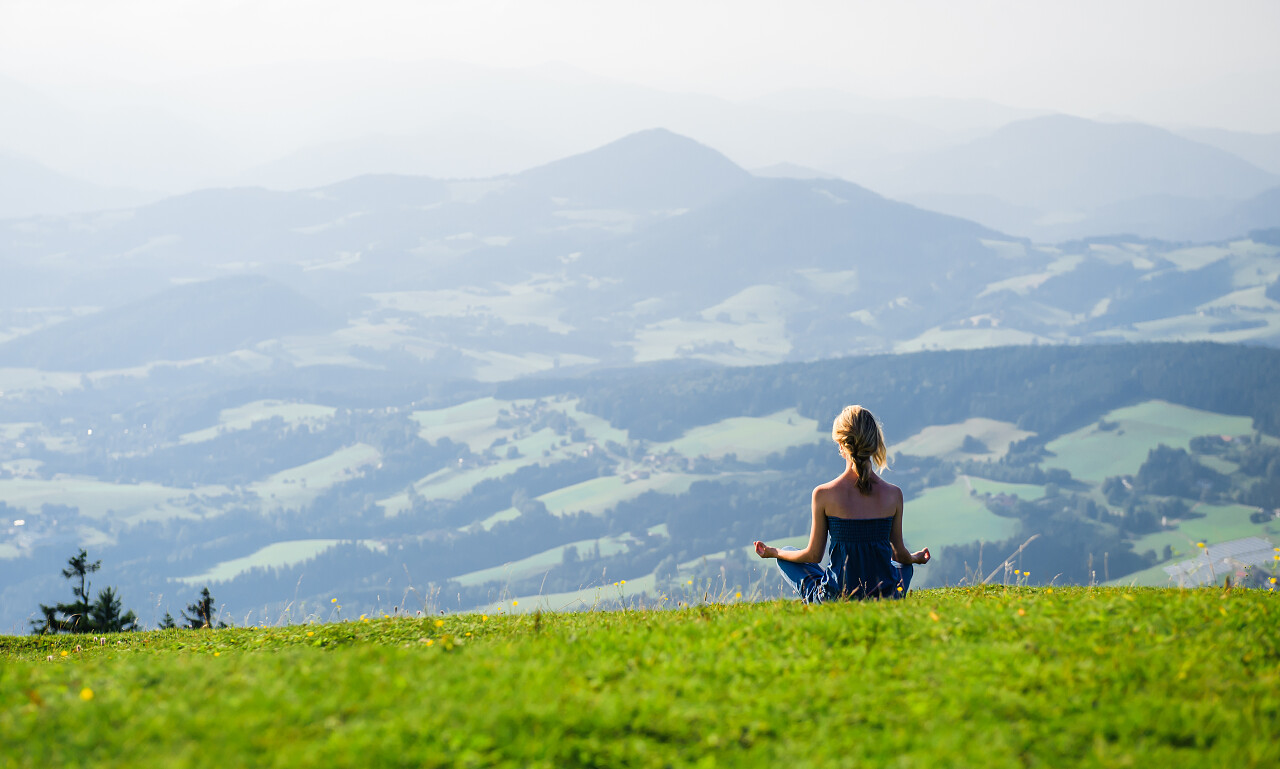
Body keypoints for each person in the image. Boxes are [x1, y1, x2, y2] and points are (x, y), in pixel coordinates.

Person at [753, 405, 930, 602]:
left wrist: (773, 552)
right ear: (875, 443)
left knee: (788, 554)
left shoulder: (823, 494)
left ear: (840, 444)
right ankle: (887, 595)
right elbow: (900, 556)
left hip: (837, 597)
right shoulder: (894, 494)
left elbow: (812, 556)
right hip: (885, 595)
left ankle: (818, 600)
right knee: (903, 567)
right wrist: (916, 558)